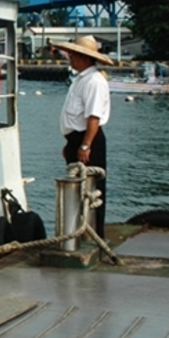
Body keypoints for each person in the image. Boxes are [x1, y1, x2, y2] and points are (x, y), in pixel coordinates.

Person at [54, 35, 113, 235]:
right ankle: (79, 231)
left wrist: (85, 145)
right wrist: (71, 143)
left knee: (91, 188)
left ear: (84, 58)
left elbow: (93, 117)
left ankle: (94, 232)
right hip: (77, 138)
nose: (70, 57)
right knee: (78, 186)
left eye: (74, 55)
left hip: (87, 138)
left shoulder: (94, 81)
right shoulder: (82, 79)